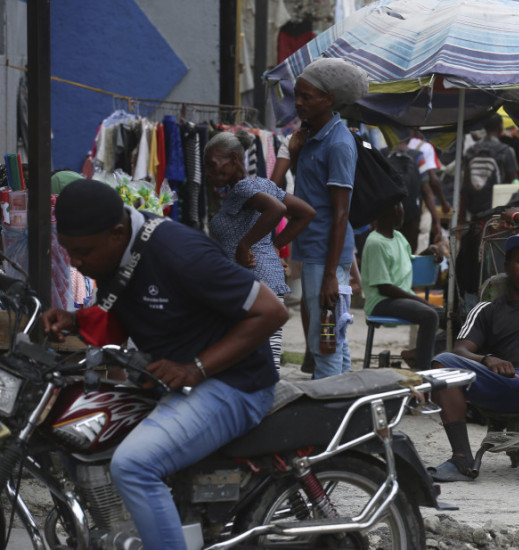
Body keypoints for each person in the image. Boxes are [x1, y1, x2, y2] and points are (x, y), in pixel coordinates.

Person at [42, 179, 287, 550]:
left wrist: (196, 367)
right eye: (68, 251)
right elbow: (123, 302)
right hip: (177, 381)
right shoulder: (119, 253)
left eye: (82, 252)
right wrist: (76, 320)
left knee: (134, 466)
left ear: (118, 232)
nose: (75, 262)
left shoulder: (181, 253)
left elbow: (272, 311)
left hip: (235, 384)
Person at [426, 207, 519, 495]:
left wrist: (518, 215)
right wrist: (487, 358)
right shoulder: (487, 309)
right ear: (507, 263)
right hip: (500, 384)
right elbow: (460, 349)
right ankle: (462, 460)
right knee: (443, 364)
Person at [204, 131, 315, 369]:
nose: (209, 173)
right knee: (266, 355)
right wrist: (273, 246)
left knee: (258, 358)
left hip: (254, 282)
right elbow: (306, 213)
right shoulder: (261, 184)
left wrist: (246, 245)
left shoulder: (244, 188)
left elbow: (276, 209)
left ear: (235, 159)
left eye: (213, 165)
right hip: (265, 280)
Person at [290, 57, 369, 378]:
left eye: (306, 97)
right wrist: (295, 153)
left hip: (325, 256)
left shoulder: (338, 143)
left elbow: (340, 213)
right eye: (296, 95)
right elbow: (308, 192)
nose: (298, 103)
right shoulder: (313, 136)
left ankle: (328, 417)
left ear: (328, 100)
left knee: (324, 344)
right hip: (313, 251)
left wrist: (331, 277)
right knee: (333, 338)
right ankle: (349, 407)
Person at [361, 201, 444, 368]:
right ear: (386, 212)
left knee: (452, 318)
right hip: (381, 301)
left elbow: (409, 262)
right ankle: (423, 372)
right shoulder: (376, 243)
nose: (402, 213)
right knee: (429, 315)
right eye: (398, 208)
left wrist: (430, 251)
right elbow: (384, 287)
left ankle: (417, 354)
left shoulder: (398, 237)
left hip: (399, 298)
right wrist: (420, 301)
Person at [460, 114, 519, 218]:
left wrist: (461, 218)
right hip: (497, 210)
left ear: (484, 127)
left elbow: (464, 186)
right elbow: (514, 183)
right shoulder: (506, 151)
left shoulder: (471, 151)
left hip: (474, 208)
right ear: (500, 127)